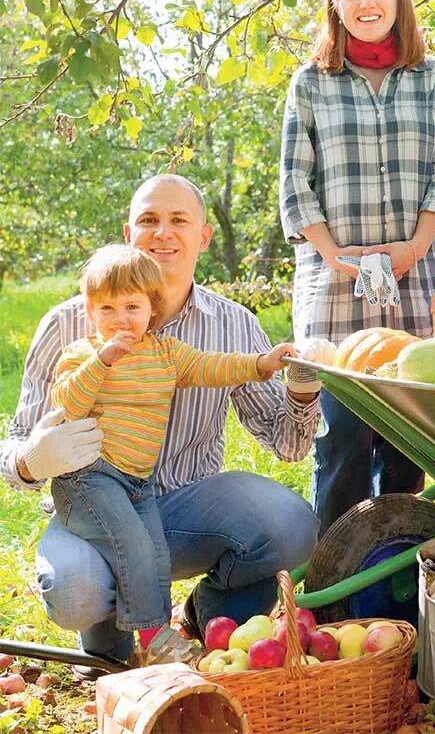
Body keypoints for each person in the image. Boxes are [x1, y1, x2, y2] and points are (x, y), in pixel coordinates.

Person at [0, 175, 321, 670]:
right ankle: (110, 651)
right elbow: (17, 441)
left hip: (180, 508)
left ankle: (211, 622)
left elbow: (285, 442)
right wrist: (31, 458)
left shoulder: (228, 325)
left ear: (204, 236)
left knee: (290, 525)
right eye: (149, 220)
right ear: (129, 233)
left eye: (178, 220)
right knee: (76, 590)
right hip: (90, 500)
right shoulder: (70, 327)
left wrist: (298, 388)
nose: (163, 233)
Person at [279, 0, 435, 532]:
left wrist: (414, 246)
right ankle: (332, 593)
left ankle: (394, 581)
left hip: (419, 278)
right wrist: (333, 254)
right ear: (334, 4)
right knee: (342, 444)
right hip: (335, 282)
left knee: (411, 441)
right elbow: (293, 178)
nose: (367, 2)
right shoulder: (311, 83)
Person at [49, 244, 297, 664]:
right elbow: (67, 404)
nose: (119, 318)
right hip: (88, 476)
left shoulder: (165, 353)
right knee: (131, 543)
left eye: (131, 306)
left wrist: (262, 363)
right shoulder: (83, 353)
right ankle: (154, 637)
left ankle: (148, 639)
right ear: (91, 312)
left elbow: (213, 366)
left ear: (152, 309)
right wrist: (102, 361)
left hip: (135, 480)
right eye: (106, 308)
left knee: (155, 552)